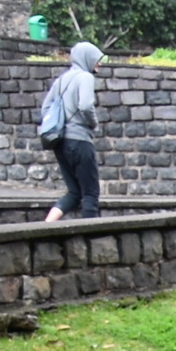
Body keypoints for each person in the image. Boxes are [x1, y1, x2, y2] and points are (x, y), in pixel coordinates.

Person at [42, 42, 104, 223]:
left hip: (59, 142)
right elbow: (85, 105)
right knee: (91, 193)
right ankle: (88, 235)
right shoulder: (85, 77)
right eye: (97, 59)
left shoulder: (61, 80)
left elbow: (46, 108)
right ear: (87, 58)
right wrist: (94, 124)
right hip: (80, 140)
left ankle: (46, 225)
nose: (99, 64)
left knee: (74, 192)